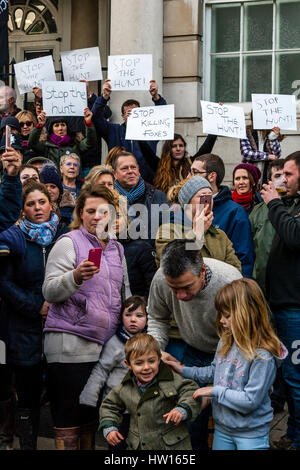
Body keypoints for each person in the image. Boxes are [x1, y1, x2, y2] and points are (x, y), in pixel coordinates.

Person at [42, 184, 130, 450]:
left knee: (90, 419)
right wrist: (76, 276)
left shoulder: (116, 248)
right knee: (69, 419)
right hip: (69, 346)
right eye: (90, 211)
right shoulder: (68, 242)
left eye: (103, 211)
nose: (96, 217)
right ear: (80, 213)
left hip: (103, 348)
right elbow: (49, 290)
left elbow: (124, 293)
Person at [166, 278, 287, 451]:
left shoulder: (263, 356)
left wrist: (213, 391)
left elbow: (250, 400)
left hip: (251, 433)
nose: (221, 321)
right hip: (222, 428)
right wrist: (183, 369)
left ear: (247, 313)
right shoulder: (226, 340)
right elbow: (216, 372)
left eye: (227, 315)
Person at [147, 239, 242, 449]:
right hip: (194, 350)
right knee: (190, 419)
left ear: (202, 271)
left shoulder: (229, 281)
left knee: (230, 423)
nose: (180, 296)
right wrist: (155, 351)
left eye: (186, 287)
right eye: (174, 289)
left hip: (231, 356)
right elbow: (157, 317)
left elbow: (244, 331)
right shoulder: (161, 279)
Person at [0, 181, 68, 450]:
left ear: (51, 204)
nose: (37, 208)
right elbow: (4, 283)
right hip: (24, 328)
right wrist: (35, 306)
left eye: (42, 202)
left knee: (60, 395)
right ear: (23, 209)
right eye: (31, 204)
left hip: (60, 326)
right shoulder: (14, 238)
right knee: (27, 397)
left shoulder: (65, 236)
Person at [99, 333, 202, 450]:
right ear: (128, 365)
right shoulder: (125, 387)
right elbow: (109, 406)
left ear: (159, 359)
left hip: (172, 446)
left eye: (151, 361)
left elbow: (190, 390)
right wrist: (109, 427)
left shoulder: (171, 380)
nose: (146, 367)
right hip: (139, 445)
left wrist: (182, 409)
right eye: (139, 363)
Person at [261, 152, 300, 450]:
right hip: (284, 304)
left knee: (296, 378)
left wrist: (274, 202)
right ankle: (293, 433)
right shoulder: (294, 203)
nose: (283, 179)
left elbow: (294, 237)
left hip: (295, 309)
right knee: (290, 376)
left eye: (288, 173)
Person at [80, 295, 147, 449]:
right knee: (117, 444)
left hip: (141, 409)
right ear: (121, 317)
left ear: (147, 319)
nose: (133, 319)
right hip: (118, 406)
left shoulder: (150, 342)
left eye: (139, 315)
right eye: (128, 315)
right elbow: (101, 370)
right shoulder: (115, 343)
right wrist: (89, 396)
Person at [155, 176, 242, 272]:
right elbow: (172, 266)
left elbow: (235, 270)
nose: (207, 201)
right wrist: (197, 233)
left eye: (210, 195)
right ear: (187, 203)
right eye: (202, 196)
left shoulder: (220, 235)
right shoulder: (167, 231)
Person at [189, 154, 254, 278]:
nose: (189, 177)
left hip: (223, 285)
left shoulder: (235, 212)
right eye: (190, 172)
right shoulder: (182, 208)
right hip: (188, 281)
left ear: (212, 176)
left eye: (195, 172)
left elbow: (244, 258)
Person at [92, 79, 167, 184]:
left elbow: (163, 116)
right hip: (119, 183)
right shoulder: (114, 131)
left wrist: (156, 97)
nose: (133, 115)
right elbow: (96, 118)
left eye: (136, 112)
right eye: (129, 113)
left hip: (147, 182)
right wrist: (104, 97)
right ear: (123, 116)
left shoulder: (150, 131)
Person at [112, 151, 169, 249]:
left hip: (151, 258)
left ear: (138, 170)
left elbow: (169, 229)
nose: (130, 171)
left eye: (133, 167)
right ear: (115, 174)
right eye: (124, 168)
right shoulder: (108, 199)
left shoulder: (159, 197)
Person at [138, 133, 217, 193]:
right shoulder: (159, 165)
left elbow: (206, 147)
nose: (178, 149)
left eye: (181, 145)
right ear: (168, 149)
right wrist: (130, 124)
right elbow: (145, 149)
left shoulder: (191, 163)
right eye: (174, 146)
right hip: (165, 209)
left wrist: (213, 132)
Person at [114, 194, 157, 298]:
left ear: (127, 219)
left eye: (118, 216)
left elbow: (152, 286)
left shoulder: (141, 248)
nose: (114, 220)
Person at [28, 108, 97, 169]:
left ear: (67, 128)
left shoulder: (75, 143)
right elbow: (32, 143)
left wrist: (88, 124)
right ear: (51, 129)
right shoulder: (46, 145)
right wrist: (39, 126)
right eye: (56, 125)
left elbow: (90, 142)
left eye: (63, 125)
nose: (60, 128)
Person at [240, 115, 283, 183]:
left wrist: (273, 138)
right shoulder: (247, 131)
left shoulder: (270, 132)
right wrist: (267, 156)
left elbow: (277, 155)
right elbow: (246, 153)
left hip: (267, 173)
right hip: (250, 173)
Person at [59, 153, 83, 226]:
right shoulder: (55, 187)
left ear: (78, 170)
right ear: (61, 169)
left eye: (75, 165)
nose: (72, 167)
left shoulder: (84, 188)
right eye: (68, 164)